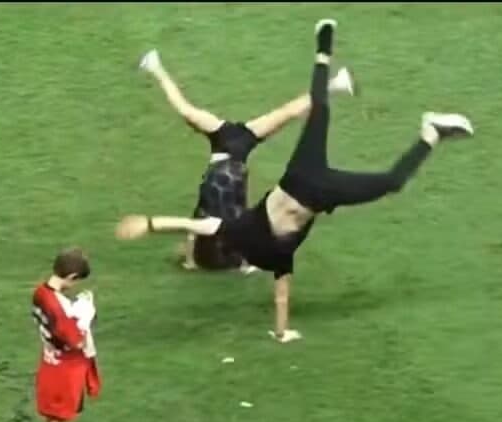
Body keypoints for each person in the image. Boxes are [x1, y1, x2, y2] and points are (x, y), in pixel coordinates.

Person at [117, 19, 474, 343]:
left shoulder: (274, 252)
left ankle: (425, 129)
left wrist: (282, 331)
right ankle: (328, 51)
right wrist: (149, 223)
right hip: (305, 176)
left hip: (314, 184)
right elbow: (203, 227)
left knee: (389, 178)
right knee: (323, 113)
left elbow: (278, 292)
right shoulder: (253, 240)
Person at [138, 48, 355, 272]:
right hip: (229, 145)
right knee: (285, 112)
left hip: (228, 146)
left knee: (285, 112)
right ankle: (336, 84)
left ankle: (154, 66)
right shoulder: (219, 211)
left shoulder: (219, 211)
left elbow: (205, 227)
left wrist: (194, 260)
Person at [31, 247, 100, 422]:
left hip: (52, 362)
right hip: (62, 368)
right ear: (70, 276)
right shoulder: (57, 305)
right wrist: (85, 316)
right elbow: (74, 340)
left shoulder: (41, 292)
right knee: (57, 420)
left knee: (57, 418)